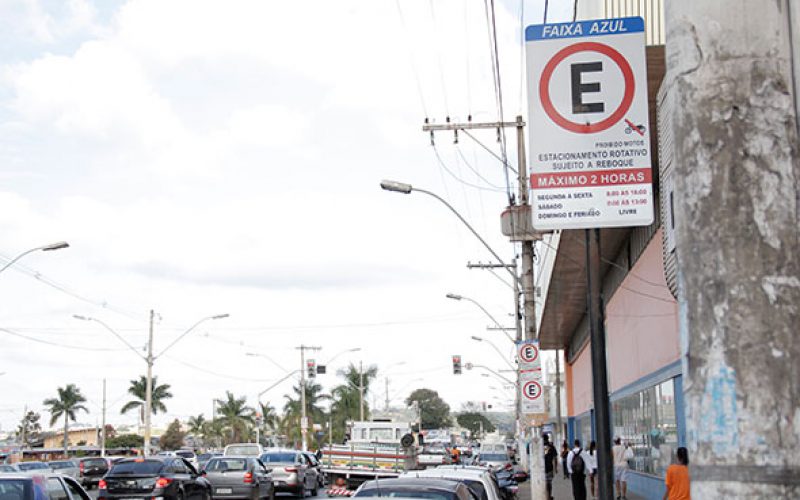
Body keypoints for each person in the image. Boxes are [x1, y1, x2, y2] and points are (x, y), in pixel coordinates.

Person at [543, 435, 558, 500]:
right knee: (549, 483)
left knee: (546, 484)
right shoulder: (552, 447)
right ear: (548, 439)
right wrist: (556, 468)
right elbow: (555, 458)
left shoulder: (539, 446)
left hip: (542, 469)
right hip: (550, 468)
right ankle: (549, 496)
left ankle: (547, 496)